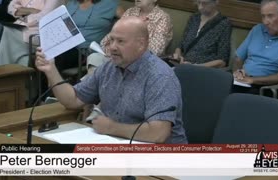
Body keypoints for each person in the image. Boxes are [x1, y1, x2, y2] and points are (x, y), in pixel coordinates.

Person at [35, 16, 187, 144]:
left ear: (141, 44)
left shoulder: (159, 76)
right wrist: (51, 70)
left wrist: (112, 127)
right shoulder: (109, 68)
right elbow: (73, 100)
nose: (112, 47)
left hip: (162, 157)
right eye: (112, 40)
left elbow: (158, 133)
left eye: (120, 41)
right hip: (117, 145)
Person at [85, 0, 173, 75]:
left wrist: (122, 53)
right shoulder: (130, 12)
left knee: (102, 75)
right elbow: (108, 38)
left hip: (140, 64)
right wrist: (110, 50)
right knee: (94, 58)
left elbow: (154, 51)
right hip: (115, 57)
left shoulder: (162, 18)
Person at [233, 0, 278, 94]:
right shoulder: (257, 29)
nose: (265, 22)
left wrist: (254, 80)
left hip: (264, 87)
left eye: (270, 16)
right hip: (242, 81)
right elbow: (238, 58)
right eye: (263, 16)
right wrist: (239, 71)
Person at [0, 0, 65, 66]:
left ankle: (0, 73)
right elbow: (10, 7)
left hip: (40, 34)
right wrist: (30, 10)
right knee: (0, 31)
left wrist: (22, 14)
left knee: (5, 32)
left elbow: (44, 16)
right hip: (20, 27)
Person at [172, 0, 231, 68]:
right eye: (198, 2)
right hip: (183, 66)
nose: (200, 7)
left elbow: (222, 61)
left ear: (216, 2)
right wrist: (178, 55)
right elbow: (181, 45)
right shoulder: (194, 18)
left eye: (205, 3)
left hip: (203, 71)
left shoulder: (224, 24)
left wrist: (196, 67)